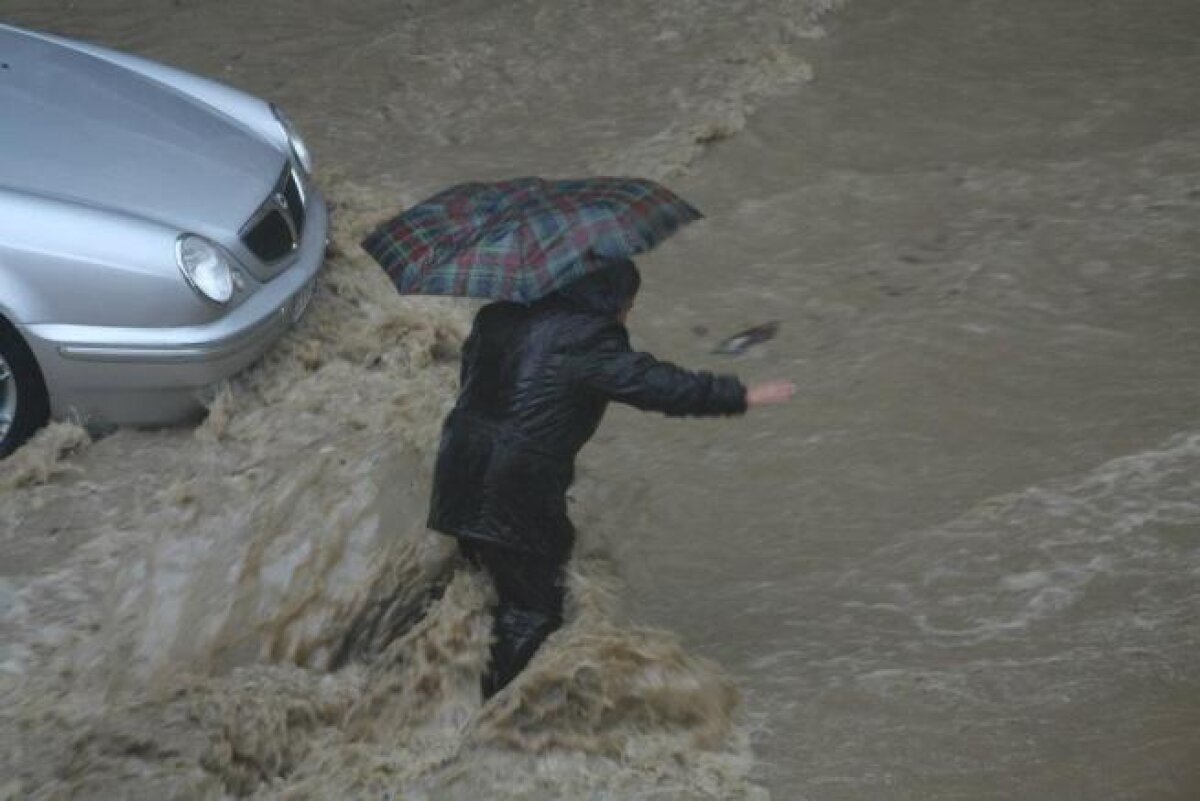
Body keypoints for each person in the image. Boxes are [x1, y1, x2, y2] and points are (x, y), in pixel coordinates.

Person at [427, 256, 794, 698]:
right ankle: (483, 714)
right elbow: (658, 385)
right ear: (608, 300)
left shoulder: (498, 316)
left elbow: (481, 388)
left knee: (477, 574)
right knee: (533, 609)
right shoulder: (589, 341)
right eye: (628, 303)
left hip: (457, 468)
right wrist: (740, 394)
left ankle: (423, 669)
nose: (629, 313)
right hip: (516, 488)